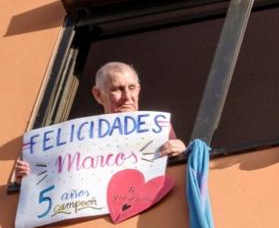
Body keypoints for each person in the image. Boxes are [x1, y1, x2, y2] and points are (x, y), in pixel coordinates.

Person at [13, 61, 185, 180]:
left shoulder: (158, 127)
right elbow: (61, 174)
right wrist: (28, 180)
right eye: (116, 89)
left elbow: (174, 169)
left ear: (138, 89)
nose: (127, 97)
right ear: (98, 94)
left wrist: (182, 152)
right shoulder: (78, 136)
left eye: (131, 88)